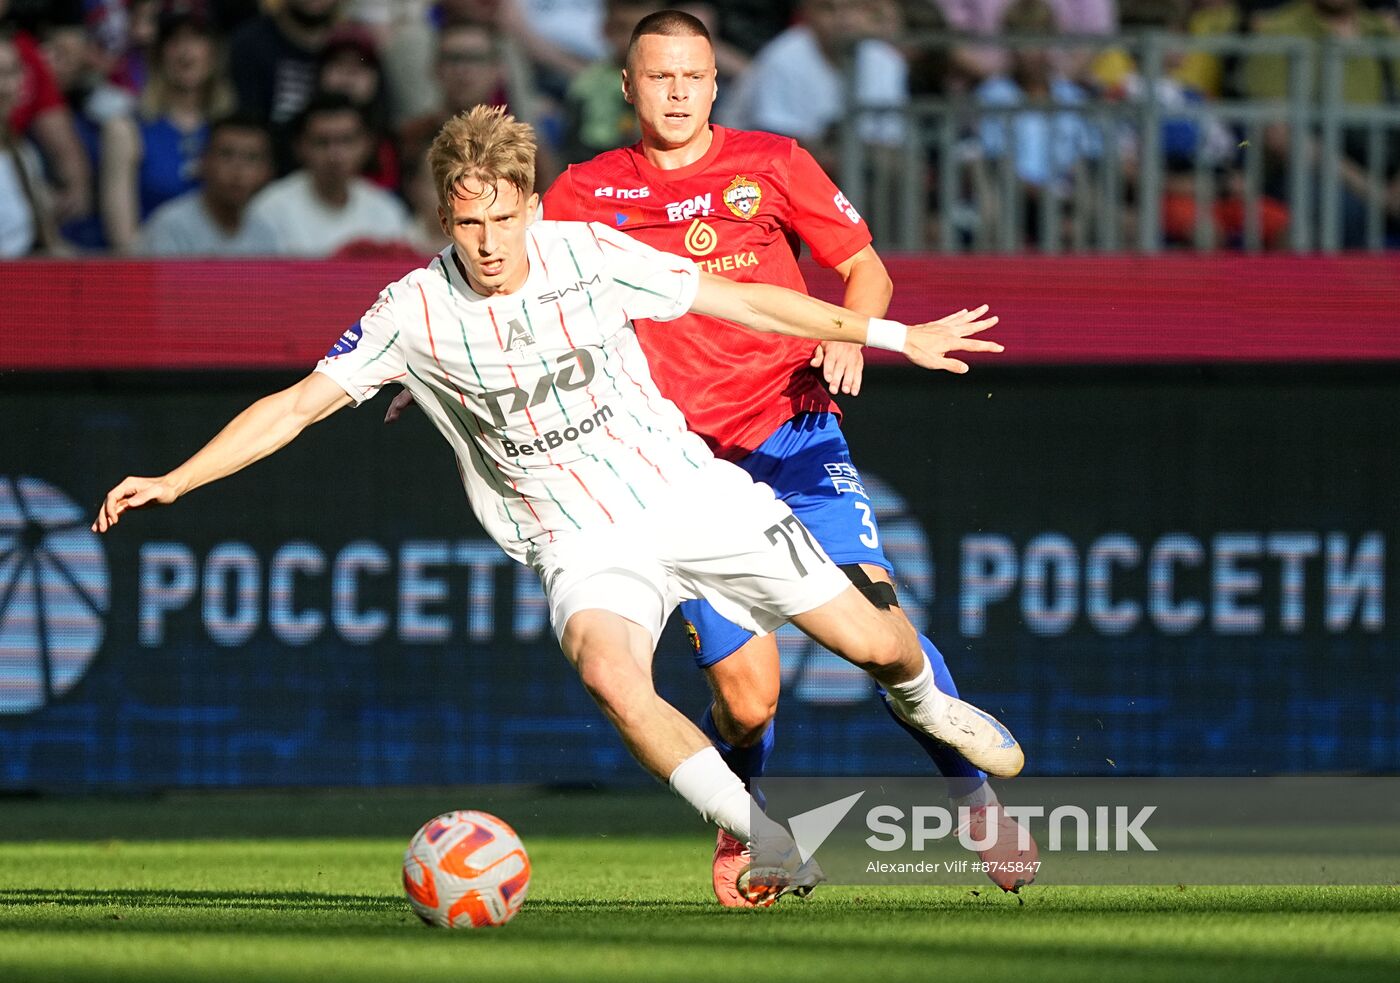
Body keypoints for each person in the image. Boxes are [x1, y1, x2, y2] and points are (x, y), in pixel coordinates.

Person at [92, 104, 1018, 904]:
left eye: (502, 217)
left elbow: (752, 305)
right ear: (444, 218)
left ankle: (925, 698)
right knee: (612, 675)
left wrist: (897, 333)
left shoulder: (587, 252)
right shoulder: (410, 309)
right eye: (467, 223)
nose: (488, 243)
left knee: (876, 641)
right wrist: (176, 476)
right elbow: (296, 404)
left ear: (532, 206)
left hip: (690, 493)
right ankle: (767, 836)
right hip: (575, 540)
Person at [535, 9, 1038, 904]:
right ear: (628, 87)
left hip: (794, 430)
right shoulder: (584, 191)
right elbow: (502, 281)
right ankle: (754, 823)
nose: (679, 91)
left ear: (715, 83)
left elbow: (865, 265)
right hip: (682, 471)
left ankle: (972, 799)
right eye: (660, 77)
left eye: (693, 75)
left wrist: (853, 335)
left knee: (878, 617)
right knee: (750, 698)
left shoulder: (772, 162)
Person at [99, 10, 232, 253]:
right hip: (154, 272)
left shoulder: (233, 128)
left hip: (230, 273)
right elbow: (123, 242)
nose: (186, 53)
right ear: (158, 55)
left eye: (197, 40)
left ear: (215, 53)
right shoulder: (125, 131)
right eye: (175, 41)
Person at [245, 93, 412, 256]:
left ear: (367, 145)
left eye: (346, 140)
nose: (335, 154)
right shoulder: (269, 209)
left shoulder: (386, 211)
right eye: (322, 142)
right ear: (300, 146)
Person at [138, 112, 278, 256]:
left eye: (251, 158)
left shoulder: (265, 232)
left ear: (267, 171)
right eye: (226, 155)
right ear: (204, 161)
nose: (238, 171)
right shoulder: (170, 226)